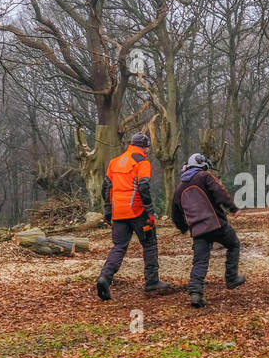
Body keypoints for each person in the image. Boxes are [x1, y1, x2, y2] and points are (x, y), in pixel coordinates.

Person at [95, 132, 174, 301]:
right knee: (149, 244)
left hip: (118, 212)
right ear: (145, 147)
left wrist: (109, 211)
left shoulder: (114, 162)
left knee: (119, 246)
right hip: (137, 211)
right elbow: (143, 186)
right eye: (147, 148)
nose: (148, 150)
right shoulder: (142, 161)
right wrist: (150, 211)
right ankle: (152, 281)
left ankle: (105, 277)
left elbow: (105, 188)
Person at [170, 153, 245, 308]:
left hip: (198, 230)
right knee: (234, 245)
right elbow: (220, 192)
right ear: (201, 164)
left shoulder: (179, 188)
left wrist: (184, 228)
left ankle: (196, 293)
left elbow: (176, 214)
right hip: (216, 224)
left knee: (200, 261)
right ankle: (231, 279)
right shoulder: (204, 176)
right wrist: (232, 208)